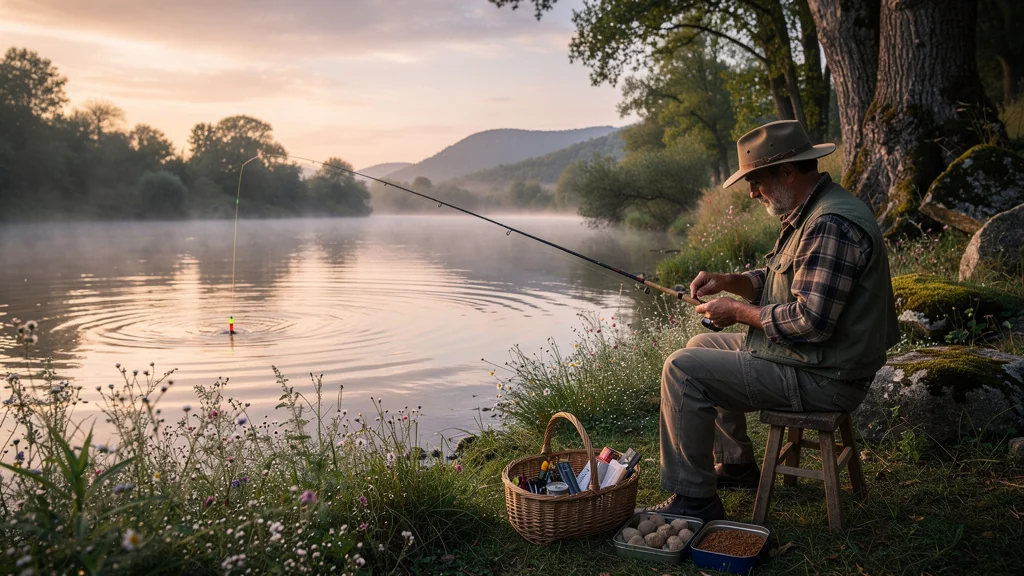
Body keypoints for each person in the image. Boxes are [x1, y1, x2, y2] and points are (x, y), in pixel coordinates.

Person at [643, 120, 899, 522]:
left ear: (786, 171)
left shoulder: (829, 224)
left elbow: (811, 321)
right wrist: (732, 282)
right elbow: (784, 283)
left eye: (756, 180)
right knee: (698, 348)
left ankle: (695, 501)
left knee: (682, 370)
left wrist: (738, 312)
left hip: (827, 378)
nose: (751, 192)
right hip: (815, 360)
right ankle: (737, 466)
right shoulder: (812, 210)